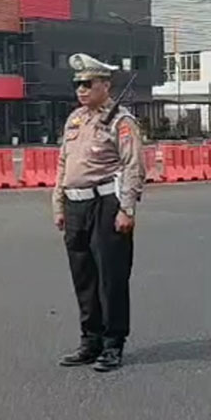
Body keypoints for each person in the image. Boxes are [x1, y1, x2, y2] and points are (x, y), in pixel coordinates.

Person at [53, 53, 145, 372]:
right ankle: (90, 340)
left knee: (111, 276)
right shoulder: (75, 119)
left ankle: (112, 343)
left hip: (107, 202)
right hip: (76, 204)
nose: (81, 89)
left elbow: (133, 166)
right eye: (77, 83)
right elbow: (63, 164)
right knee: (84, 276)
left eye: (87, 83)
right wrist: (59, 204)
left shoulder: (121, 121)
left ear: (105, 86)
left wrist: (126, 208)